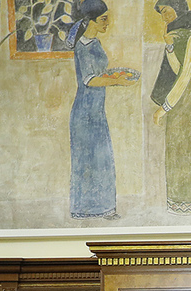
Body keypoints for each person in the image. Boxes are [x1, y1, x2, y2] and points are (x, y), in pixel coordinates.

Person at [67, 0, 138, 219]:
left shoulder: (95, 43)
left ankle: (105, 208)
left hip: (97, 111)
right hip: (84, 113)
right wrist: (118, 81)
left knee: (103, 160)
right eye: (103, 19)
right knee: (87, 162)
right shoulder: (82, 46)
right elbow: (90, 80)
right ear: (91, 21)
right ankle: (84, 210)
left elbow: (100, 73)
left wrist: (115, 76)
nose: (107, 23)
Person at [150, 0, 191, 214]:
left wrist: (164, 107)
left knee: (188, 147)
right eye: (161, 13)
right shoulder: (175, 35)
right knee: (175, 149)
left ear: (177, 7)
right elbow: (177, 70)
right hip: (177, 101)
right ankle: (178, 200)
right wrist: (169, 47)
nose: (164, 16)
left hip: (188, 100)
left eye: (166, 10)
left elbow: (186, 75)